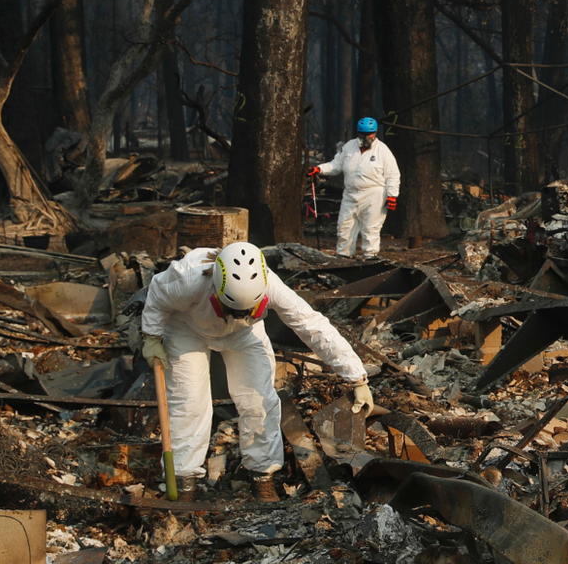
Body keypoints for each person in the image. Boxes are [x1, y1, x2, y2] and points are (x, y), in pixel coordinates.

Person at [141, 242, 374, 501]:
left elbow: (311, 325)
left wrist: (356, 377)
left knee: (260, 400)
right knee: (189, 402)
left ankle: (262, 476)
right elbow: (157, 296)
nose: (238, 314)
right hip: (188, 329)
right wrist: (151, 335)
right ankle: (184, 481)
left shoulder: (271, 285)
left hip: (244, 334)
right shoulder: (188, 278)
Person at [310, 116, 400, 257]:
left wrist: (392, 195)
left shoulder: (382, 151)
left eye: (369, 134)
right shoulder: (349, 147)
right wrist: (320, 169)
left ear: (374, 133)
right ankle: (344, 256)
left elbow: (393, 174)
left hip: (374, 195)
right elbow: (336, 165)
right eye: (362, 134)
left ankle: (370, 257)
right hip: (351, 195)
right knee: (344, 227)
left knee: (370, 229)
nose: (365, 137)